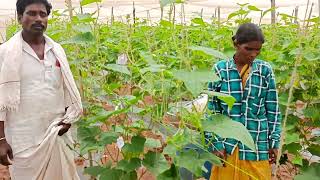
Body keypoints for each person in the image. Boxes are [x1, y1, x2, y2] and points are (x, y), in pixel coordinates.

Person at [0, 0, 82, 179]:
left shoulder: (57, 50)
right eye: (32, 13)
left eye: (43, 14)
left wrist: (68, 119)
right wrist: (1, 140)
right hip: (23, 140)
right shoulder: (6, 53)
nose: (38, 18)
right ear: (20, 17)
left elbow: (66, 88)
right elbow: (1, 100)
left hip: (56, 134)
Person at [207, 23, 281, 180]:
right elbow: (213, 110)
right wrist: (216, 143)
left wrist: (274, 141)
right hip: (228, 144)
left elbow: (273, 109)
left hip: (256, 142)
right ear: (236, 44)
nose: (254, 54)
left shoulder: (265, 70)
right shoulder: (220, 70)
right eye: (248, 49)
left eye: (258, 50)